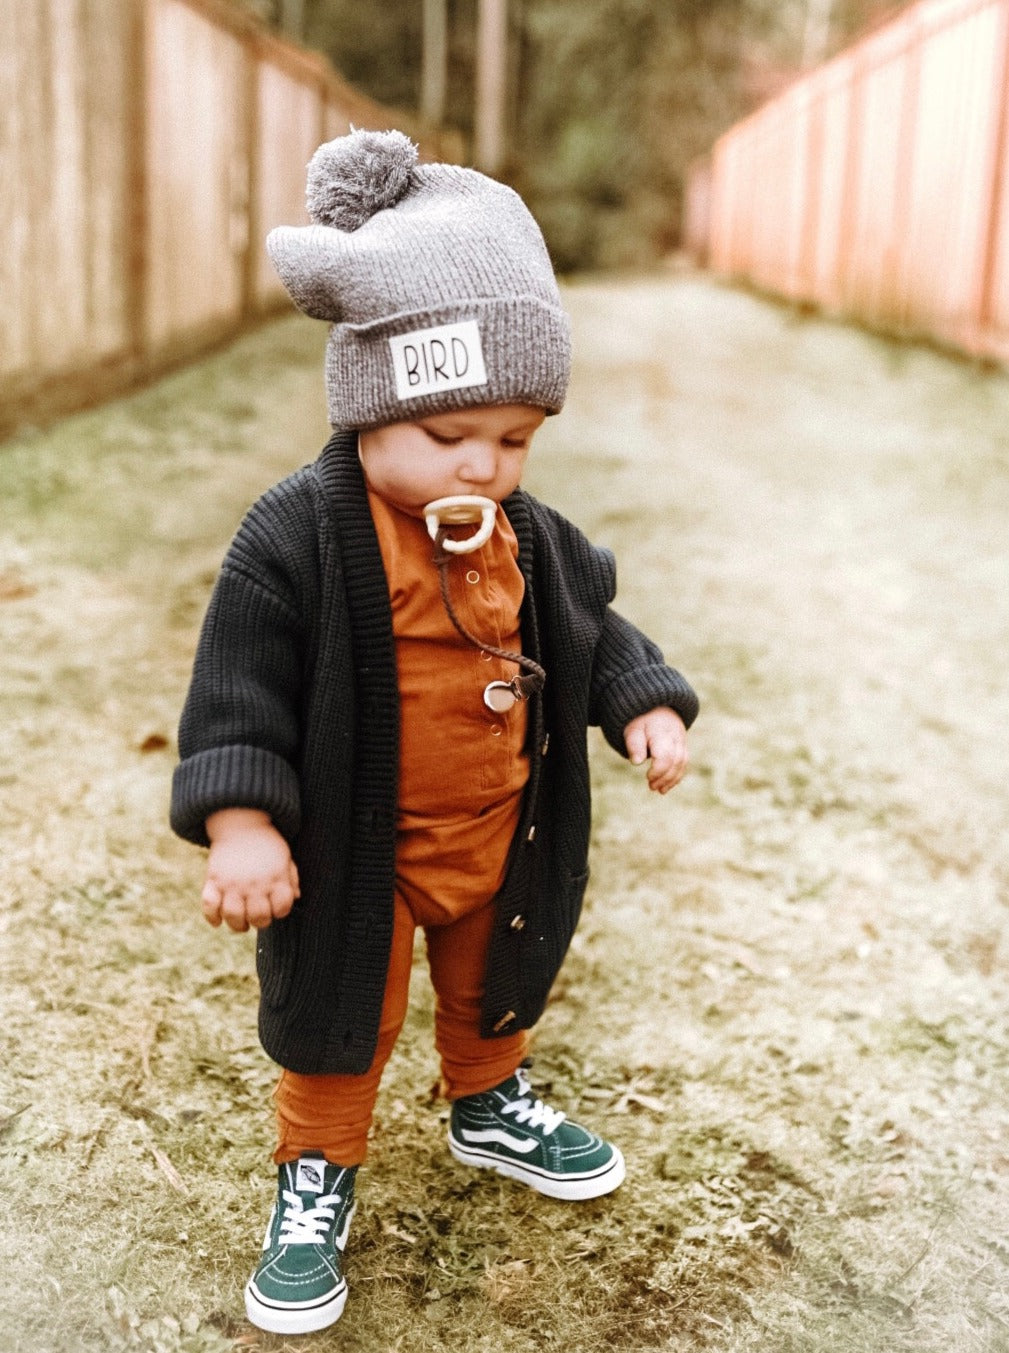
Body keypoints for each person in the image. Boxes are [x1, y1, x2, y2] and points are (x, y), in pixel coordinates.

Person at [170, 128, 698, 1337]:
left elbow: (588, 627)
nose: (489, 466)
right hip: (359, 845)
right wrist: (243, 823)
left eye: (516, 439)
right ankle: (316, 1174)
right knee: (339, 1012)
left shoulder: (527, 535)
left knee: (493, 977)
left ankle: (488, 1101)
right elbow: (236, 686)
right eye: (453, 436)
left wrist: (645, 702)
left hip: (493, 827)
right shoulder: (297, 536)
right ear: (374, 403)